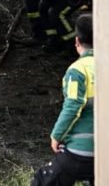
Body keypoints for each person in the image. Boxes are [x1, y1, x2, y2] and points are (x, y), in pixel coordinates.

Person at [32, 14, 94, 185]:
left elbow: (73, 105)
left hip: (80, 151)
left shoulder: (78, 71)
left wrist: (56, 135)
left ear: (77, 42)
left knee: (43, 180)